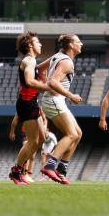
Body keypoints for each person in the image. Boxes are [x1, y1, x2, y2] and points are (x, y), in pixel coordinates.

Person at [9, 31, 53, 185]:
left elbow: (39, 88)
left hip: (33, 102)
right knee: (33, 141)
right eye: (38, 42)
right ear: (30, 45)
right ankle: (17, 171)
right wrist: (49, 87)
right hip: (26, 104)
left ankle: (20, 171)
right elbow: (29, 81)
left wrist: (45, 76)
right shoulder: (29, 61)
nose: (40, 44)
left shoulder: (34, 61)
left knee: (41, 139)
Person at [40, 34, 84, 185]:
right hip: (54, 100)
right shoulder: (67, 63)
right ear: (71, 45)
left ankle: (61, 169)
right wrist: (71, 96)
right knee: (71, 134)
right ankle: (50, 165)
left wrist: (46, 85)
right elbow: (53, 82)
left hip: (56, 99)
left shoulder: (57, 56)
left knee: (77, 134)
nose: (81, 44)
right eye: (78, 42)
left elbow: (40, 69)